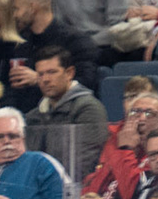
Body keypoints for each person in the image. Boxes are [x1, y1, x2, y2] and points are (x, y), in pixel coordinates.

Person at [23, 45, 107, 178]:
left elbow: (84, 165)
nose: (45, 79)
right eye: (40, 74)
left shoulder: (88, 109)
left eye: (52, 72)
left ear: (69, 73)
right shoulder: (34, 116)